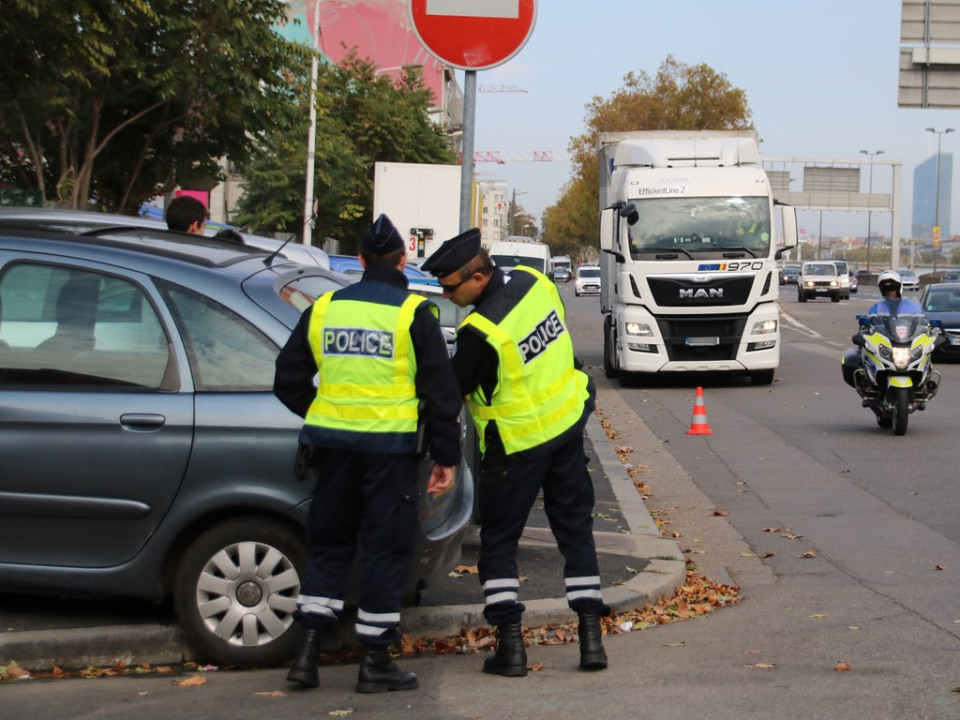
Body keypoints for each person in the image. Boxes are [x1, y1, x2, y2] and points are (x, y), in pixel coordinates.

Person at [273, 214, 462, 693]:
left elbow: (287, 380)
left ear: (359, 260)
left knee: (330, 543)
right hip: (390, 453)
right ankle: (375, 661)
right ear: (403, 260)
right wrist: (446, 457)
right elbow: (441, 394)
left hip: (330, 448)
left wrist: (322, 411)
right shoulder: (413, 313)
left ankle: (308, 654)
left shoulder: (325, 307)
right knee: (384, 549)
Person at [421, 229, 610, 678]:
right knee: (576, 535)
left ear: (479, 277)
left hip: (514, 450)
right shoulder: (536, 283)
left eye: (451, 288)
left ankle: (511, 649)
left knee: (500, 544)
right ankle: (591, 641)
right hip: (565, 432)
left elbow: (450, 392)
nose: (447, 296)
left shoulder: (479, 333)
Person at [842, 270, 925, 387]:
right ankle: (869, 384)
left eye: (893, 290)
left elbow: (921, 321)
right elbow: (869, 324)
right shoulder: (877, 307)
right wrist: (864, 329)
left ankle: (924, 383)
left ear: (898, 289)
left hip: (905, 342)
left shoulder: (910, 306)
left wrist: (927, 329)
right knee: (861, 355)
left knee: (926, 355)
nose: (890, 293)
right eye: (887, 291)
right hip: (887, 343)